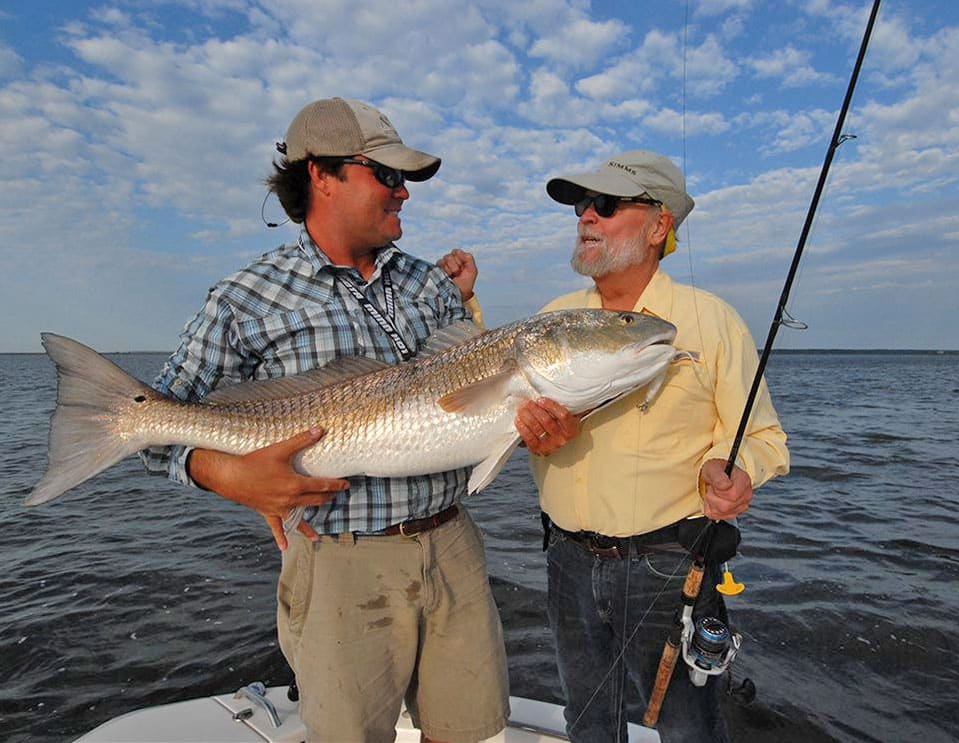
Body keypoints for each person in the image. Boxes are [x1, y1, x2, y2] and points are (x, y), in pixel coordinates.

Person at [141, 97, 507, 743]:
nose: (403, 194)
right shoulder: (245, 297)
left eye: (406, 180)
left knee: (473, 732)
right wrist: (230, 477)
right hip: (340, 560)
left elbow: (466, 385)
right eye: (387, 176)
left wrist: (469, 301)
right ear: (321, 174)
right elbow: (153, 420)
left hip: (454, 544)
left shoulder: (431, 285)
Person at [513, 150, 790, 742]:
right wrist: (531, 434)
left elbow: (765, 436)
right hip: (566, 559)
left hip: (669, 565)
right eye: (582, 206)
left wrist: (736, 470)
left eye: (605, 206)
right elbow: (513, 420)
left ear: (659, 225)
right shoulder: (551, 319)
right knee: (586, 722)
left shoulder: (710, 320)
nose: (586, 217)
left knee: (691, 730)